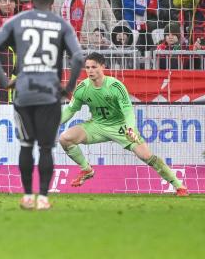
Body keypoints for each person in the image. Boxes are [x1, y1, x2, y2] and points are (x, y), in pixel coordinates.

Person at [0, 0, 84, 210]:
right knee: (46, 148)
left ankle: (28, 196)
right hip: (49, 93)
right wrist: (68, 88)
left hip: (24, 92)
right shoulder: (61, 24)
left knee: (26, 145)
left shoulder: (17, 21)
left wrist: (4, 80)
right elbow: (78, 58)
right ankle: (43, 198)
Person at [59, 52, 189, 196]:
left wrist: (130, 128)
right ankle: (86, 169)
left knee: (146, 156)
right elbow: (71, 109)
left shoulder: (115, 86)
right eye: (87, 67)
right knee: (65, 138)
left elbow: (127, 111)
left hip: (121, 127)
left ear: (103, 67)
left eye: (94, 67)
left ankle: (179, 186)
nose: (90, 70)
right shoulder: (82, 88)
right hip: (97, 125)